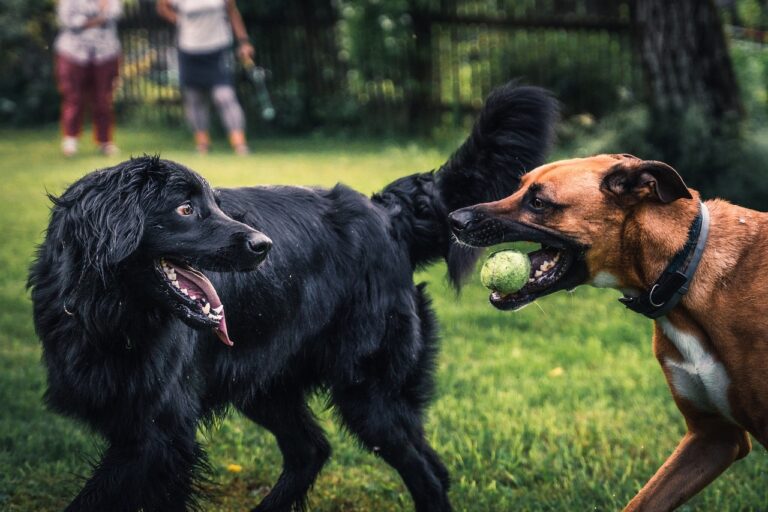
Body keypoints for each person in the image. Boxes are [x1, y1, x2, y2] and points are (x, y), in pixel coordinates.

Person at [157, 0, 254, 155]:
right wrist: (179, 21)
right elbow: (162, 7)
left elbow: (233, 12)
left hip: (218, 48)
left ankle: (239, 143)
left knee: (224, 96)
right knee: (195, 98)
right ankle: (203, 144)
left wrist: (244, 42)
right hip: (189, 49)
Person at [54, 0, 122, 157]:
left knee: (103, 99)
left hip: (106, 52)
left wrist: (86, 21)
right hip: (73, 52)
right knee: (73, 97)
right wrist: (99, 16)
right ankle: (70, 140)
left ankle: (105, 141)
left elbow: (114, 13)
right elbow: (68, 21)